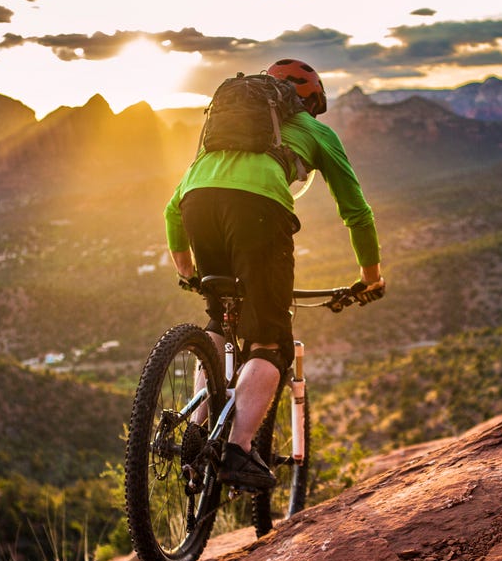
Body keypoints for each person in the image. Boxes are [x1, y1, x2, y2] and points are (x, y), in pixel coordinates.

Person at [164, 57, 385, 489]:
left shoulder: (219, 133)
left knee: (219, 320)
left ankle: (195, 431)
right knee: (270, 338)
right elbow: (356, 211)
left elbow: (174, 206)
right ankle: (238, 451)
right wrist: (371, 275)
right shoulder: (319, 133)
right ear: (307, 100)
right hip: (259, 210)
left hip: (198, 204)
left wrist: (187, 269)